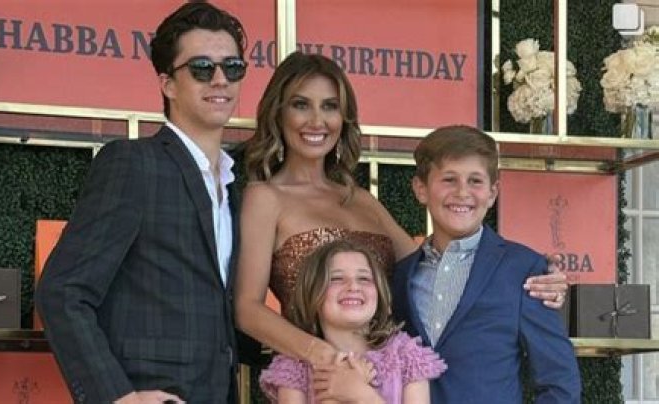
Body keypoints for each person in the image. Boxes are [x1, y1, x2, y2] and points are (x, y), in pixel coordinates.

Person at [234, 51, 569, 399]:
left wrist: (533, 275)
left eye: (330, 106)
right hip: (318, 383)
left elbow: (427, 270)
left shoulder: (360, 199)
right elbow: (246, 310)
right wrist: (324, 356)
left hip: (390, 387)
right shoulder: (264, 197)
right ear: (279, 113)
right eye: (301, 105)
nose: (317, 120)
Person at [35, 2, 248, 403]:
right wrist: (118, 397)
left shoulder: (235, 183)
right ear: (168, 84)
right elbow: (62, 291)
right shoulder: (134, 164)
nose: (220, 79)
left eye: (232, 67)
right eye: (202, 68)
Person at [391, 125, 581, 403]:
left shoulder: (523, 269)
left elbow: (560, 380)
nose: (462, 192)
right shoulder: (401, 276)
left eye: (475, 181)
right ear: (421, 189)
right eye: (449, 179)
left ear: (492, 193)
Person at [259, 239, 447, 403]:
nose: (353, 286)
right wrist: (336, 396)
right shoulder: (296, 366)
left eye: (364, 278)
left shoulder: (406, 357)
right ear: (312, 294)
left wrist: (363, 395)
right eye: (336, 278)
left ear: (380, 293)